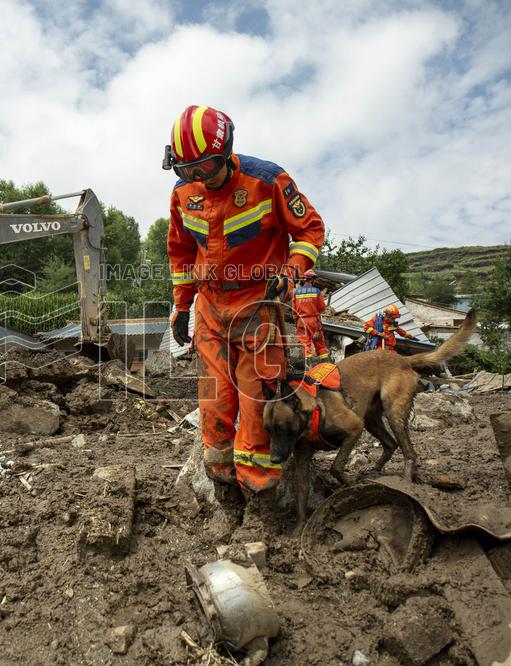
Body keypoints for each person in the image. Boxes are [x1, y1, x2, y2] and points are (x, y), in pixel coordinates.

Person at [165, 104, 325, 538]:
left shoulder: (268, 180)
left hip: (260, 311)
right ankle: (226, 497)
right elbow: (181, 254)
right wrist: (182, 306)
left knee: (256, 410)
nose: (201, 176)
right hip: (211, 313)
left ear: (227, 150)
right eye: (189, 168)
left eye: (208, 165)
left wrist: (290, 271)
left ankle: (262, 506)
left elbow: (310, 231)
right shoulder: (184, 194)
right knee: (214, 406)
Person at [291, 269, 329, 364]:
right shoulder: (316, 292)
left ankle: (308, 369)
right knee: (320, 345)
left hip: (301, 321)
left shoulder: (296, 292)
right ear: (312, 280)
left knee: (305, 345)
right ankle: (326, 365)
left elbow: (293, 311)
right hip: (314, 322)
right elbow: (322, 308)